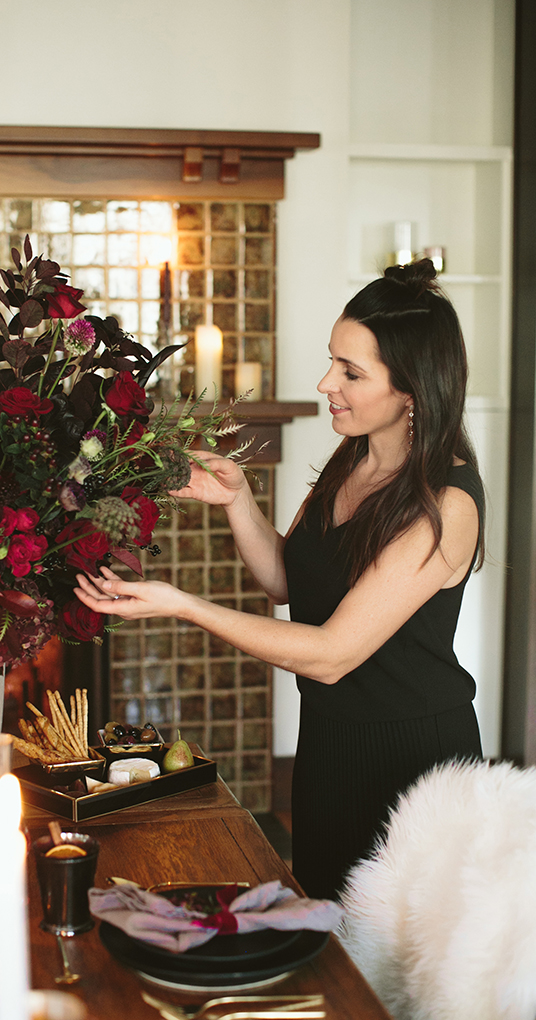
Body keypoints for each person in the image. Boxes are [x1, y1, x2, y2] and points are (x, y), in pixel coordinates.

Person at [73, 258, 484, 900]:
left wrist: (184, 605)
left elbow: (330, 654)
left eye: (351, 372)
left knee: (397, 967)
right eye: (332, 361)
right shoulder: (353, 458)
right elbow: (288, 582)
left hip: (409, 759)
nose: (326, 383)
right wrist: (239, 499)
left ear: (412, 391)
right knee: (330, 926)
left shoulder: (446, 505)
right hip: (328, 743)